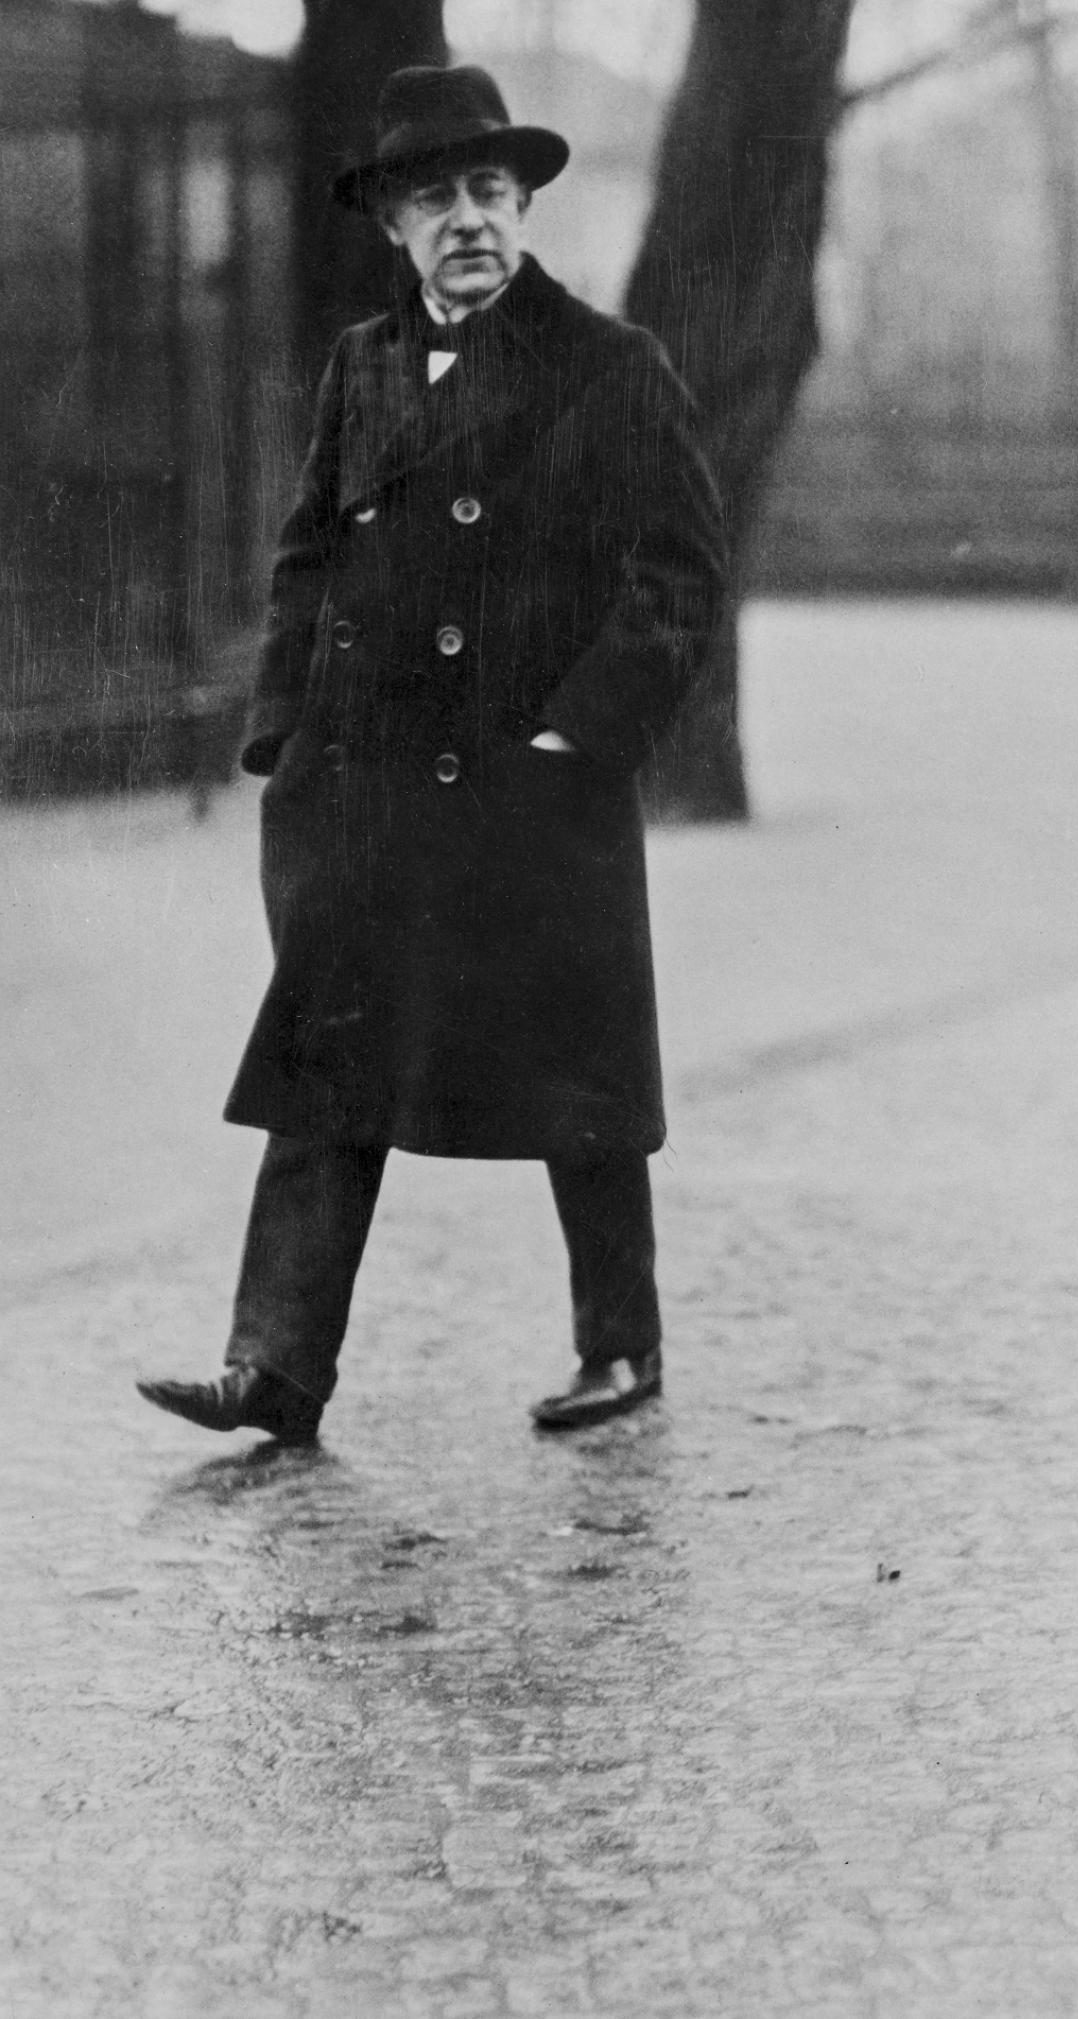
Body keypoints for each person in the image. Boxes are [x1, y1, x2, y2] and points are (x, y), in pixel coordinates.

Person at [136, 65, 727, 1445]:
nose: (465, 220)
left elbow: (681, 576)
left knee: (581, 1081)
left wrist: (577, 731)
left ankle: (621, 1346)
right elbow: (307, 553)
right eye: (432, 198)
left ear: (522, 208)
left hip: (533, 782)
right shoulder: (365, 363)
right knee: (324, 1071)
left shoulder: (608, 364)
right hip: (369, 783)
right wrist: (283, 732)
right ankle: (274, 1367)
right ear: (393, 226)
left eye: (486, 192)